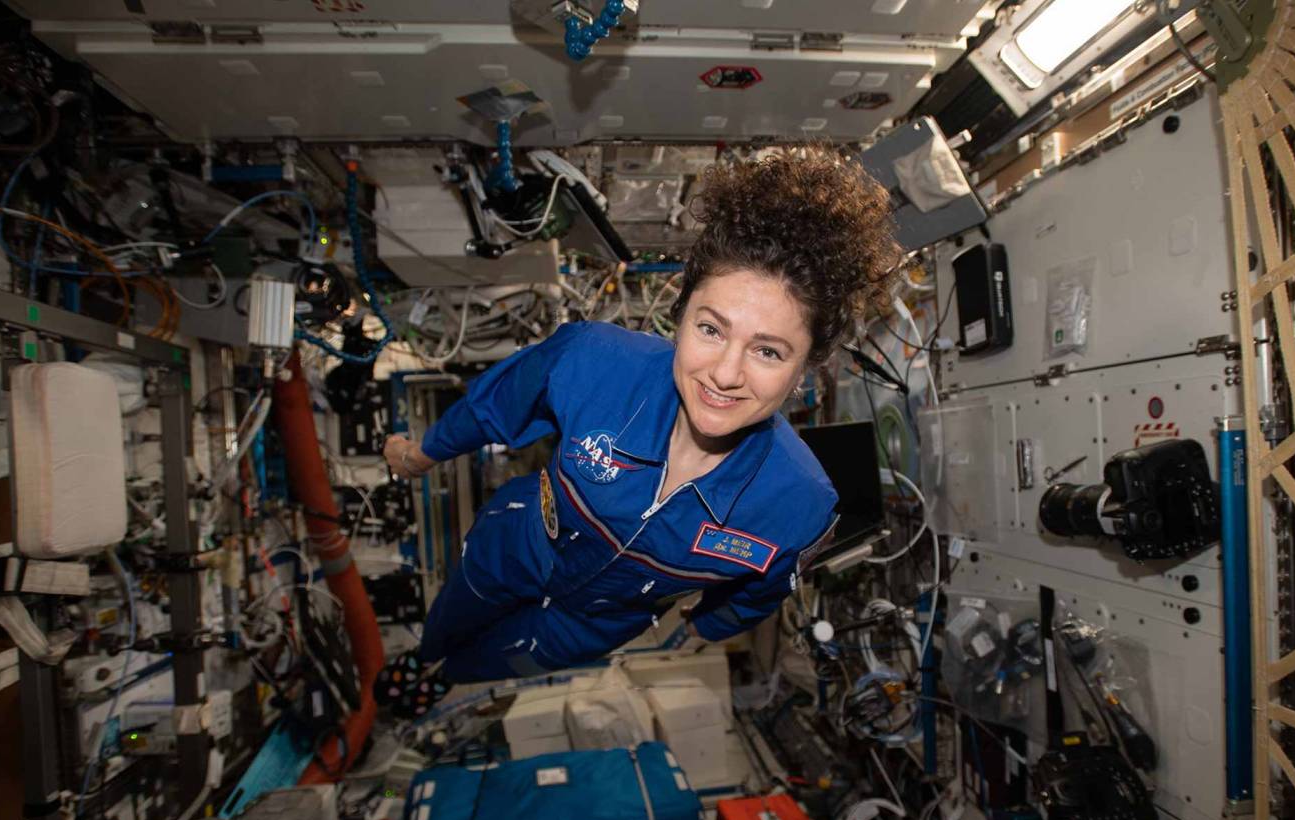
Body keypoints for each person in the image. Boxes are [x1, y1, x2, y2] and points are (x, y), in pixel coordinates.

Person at [377, 148, 902, 716]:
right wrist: (420, 455)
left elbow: (758, 593)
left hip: (591, 626)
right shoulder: (593, 359)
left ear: (804, 371)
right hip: (515, 546)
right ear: (679, 315)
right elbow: (495, 403)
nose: (725, 374)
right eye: (711, 328)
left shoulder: (800, 504)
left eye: (768, 350)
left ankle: (447, 676)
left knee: (491, 662)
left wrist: (705, 625)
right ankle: (424, 654)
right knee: (454, 615)